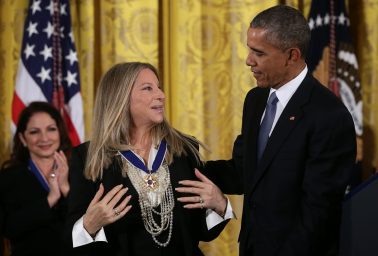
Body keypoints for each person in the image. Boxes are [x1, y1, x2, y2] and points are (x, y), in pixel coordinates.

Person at [178, 5, 356, 256]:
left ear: (292, 56)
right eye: (250, 49)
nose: (248, 60)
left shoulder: (329, 116)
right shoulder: (256, 100)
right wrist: (179, 169)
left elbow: (318, 214)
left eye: (258, 53)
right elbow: (244, 171)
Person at [67, 62, 233, 256]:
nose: (161, 95)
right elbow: (70, 240)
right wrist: (89, 225)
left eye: (159, 87)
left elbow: (200, 232)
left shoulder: (185, 149)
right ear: (120, 97)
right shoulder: (87, 157)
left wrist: (221, 206)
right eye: (148, 88)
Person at [0, 101, 72, 256]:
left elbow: (94, 225)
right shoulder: (8, 178)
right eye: (34, 132)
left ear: (60, 133)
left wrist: (66, 188)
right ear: (23, 139)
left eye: (51, 129)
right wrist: (51, 199)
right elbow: (9, 228)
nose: (44, 138)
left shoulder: (81, 171)